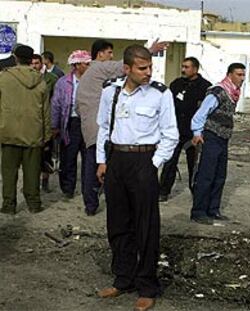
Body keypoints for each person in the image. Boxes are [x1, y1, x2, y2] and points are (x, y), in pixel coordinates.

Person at [95, 44, 178, 311]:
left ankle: (146, 286)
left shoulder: (160, 95)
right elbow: (104, 128)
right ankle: (123, 279)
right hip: (116, 160)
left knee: (146, 227)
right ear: (127, 68)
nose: (148, 72)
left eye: (150, 67)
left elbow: (171, 134)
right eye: (142, 68)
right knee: (118, 224)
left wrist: (152, 164)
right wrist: (101, 161)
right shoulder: (111, 91)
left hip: (144, 161)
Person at [76, 39, 167, 215]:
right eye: (109, 53)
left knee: (92, 164)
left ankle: (91, 203)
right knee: (101, 167)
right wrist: (150, 50)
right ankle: (99, 202)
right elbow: (126, 65)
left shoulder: (89, 74)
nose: (111, 56)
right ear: (99, 54)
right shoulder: (100, 68)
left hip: (90, 126)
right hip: (103, 128)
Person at [190, 63, 246, 225]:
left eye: (243, 75)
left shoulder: (233, 93)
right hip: (211, 136)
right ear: (229, 75)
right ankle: (199, 211)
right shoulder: (219, 92)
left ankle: (213, 210)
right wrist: (197, 132)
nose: (241, 78)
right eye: (238, 74)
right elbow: (201, 113)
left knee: (219, 176)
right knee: (206, 175)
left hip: (223, 138)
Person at [0, 45, 51, 214]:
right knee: (32, 172)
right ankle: (34, 204)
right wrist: (47, 135)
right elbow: (45, 111)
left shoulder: (4, 78)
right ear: (31, 60)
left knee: (8, 172)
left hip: (8, 132)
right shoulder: (41, 80)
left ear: (15, 58)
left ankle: (9, 205)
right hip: (33, 133)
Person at [159, 57, 211, 202]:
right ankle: (163, 191)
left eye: (187, 67)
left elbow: (205, 111)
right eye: (182, 66)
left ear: (195, 69)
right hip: (176, 130)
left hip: (193, 133)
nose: (183, 70)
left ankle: (197, 194)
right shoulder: (176, 84)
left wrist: (199, 131)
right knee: (169, 162)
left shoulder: (205, 87)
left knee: (194, 165)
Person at [51, 50, 91, 202]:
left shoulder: (93, 82)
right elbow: (56, 105)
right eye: (86, 64)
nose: (89, 66)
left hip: (88, 124)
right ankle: (68, 188)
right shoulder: (63, 82)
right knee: (68, 158)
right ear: (77, 65)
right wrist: (55, 126)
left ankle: (88, 188)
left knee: (89, 158)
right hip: (70, 123)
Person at [31, 54, 59, 192]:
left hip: (46, 121)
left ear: (42, 63)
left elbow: (55, 102)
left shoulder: (52, 79)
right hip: (30, 121)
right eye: (32, 63)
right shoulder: (28, 79)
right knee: (32, 156)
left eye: (36, 63)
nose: (34, 66)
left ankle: (45, 181)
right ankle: (32, 183)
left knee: (46, 154)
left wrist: (54, 123)